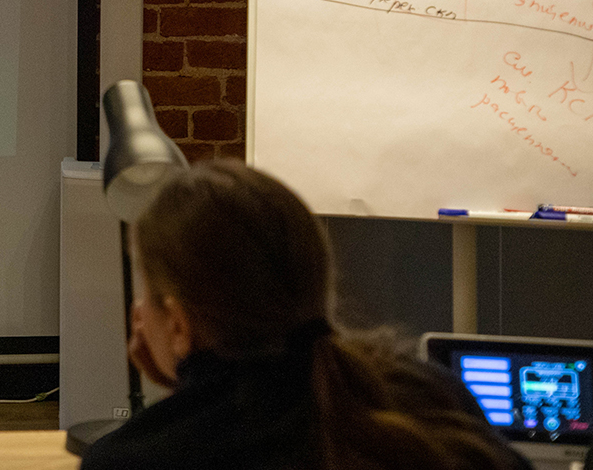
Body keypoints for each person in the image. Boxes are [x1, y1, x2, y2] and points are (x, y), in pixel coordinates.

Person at [83, 159, 527, 470]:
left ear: (178, 324)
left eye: (146, 293)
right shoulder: (432, 397)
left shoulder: (133, 459)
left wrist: (184, 392)